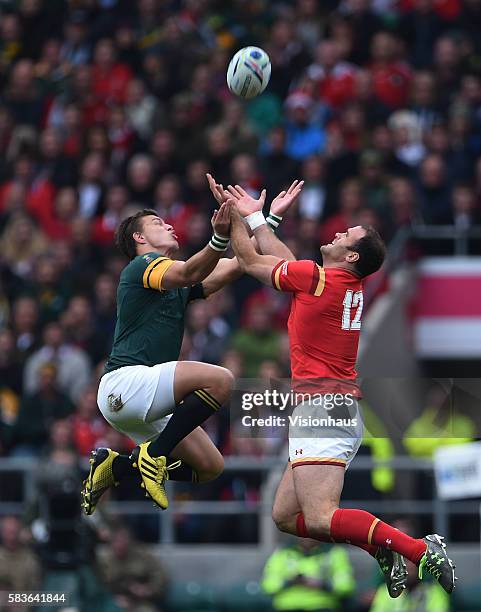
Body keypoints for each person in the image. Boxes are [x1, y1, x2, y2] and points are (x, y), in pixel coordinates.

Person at [224, 187, 456, 597]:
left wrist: (233, 219)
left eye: (346, 235)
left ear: (351, 256)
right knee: (284, 516)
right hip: (330, 408)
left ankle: (417, 548)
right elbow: (284, 261)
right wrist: (259, 219)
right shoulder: (330, 282)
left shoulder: (317, 280)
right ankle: (380, 545)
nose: (336, 233)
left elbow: (249, 261)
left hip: (323, 409)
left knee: (319, 518)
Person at [81, 175, 302, 515]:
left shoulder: (175, 281)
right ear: (140, 238)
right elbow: (188, 273)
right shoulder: (141, 266)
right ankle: (154, 454)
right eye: (157, 223)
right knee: (222, 380)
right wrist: (218, 236)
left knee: (210, 467)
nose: (168, 225)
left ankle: (117, 466)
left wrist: (263, 220)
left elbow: (238, 264)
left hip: (141, 398)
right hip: (124, 384)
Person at [262, 537, 355, 611]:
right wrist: (290, 581)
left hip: (322, 606)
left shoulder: (334, 553)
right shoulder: (282, 553)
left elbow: (346, 587)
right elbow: (268, 586)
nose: (306, 536)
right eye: (301, 530)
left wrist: (322, 585)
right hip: (287, 607)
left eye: (310, 530)